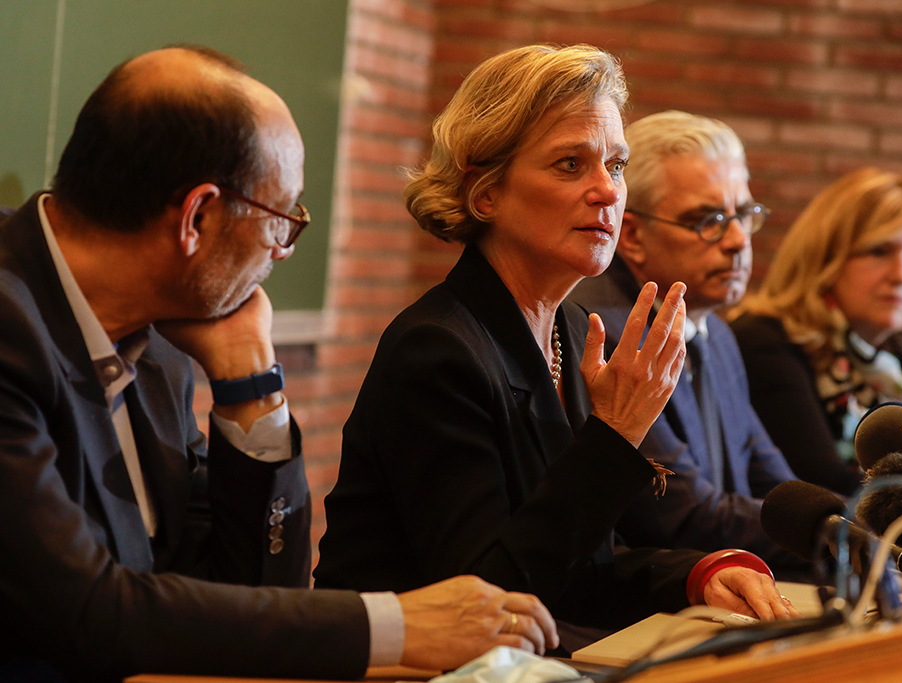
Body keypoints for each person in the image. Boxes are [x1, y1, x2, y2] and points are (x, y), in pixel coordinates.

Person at [0, 46, 558, 682]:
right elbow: (88, 612)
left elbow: (248, 588)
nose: (283, 251)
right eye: (282, 219)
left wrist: (252, 382)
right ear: (198, 217)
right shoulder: (11, 330)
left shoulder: (158, 348)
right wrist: (395, 626)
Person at [314, 44, 797, 645]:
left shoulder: (567, 327)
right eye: (571, 165)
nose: (607, 192)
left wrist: (697, 573)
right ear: (485, 190)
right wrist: (615, 433)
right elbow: (490, 596)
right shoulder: (436, 350)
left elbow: (579, 563)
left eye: (615, 165)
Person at [569, 111, 808, 580]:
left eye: (743, 215)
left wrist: (854, 524)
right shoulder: (604, 332)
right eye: (709, 220)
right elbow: (686, 517)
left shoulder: (717, 332)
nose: (738, 240)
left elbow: (775, 484)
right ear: (632, 234)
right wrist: (848, 531)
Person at [730, 167, 902, 496]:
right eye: (879, 251)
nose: (901, 275)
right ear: (825, 258)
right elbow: (822, 482)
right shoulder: (765, 342)